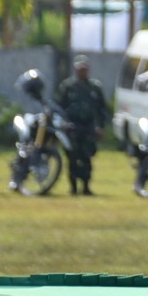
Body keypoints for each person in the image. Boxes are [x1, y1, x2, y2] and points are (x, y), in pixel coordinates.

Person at [56, 55, 109, 195]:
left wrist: (100, 126)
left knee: (86, 157)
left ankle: (85, 187)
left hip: (89, 127)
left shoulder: (94, 87)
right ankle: (73, 187)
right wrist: (63, 124)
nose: (82, 72)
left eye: (84, 69)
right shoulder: (67, 87)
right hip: (72, 127)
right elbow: (60, 107)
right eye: (79, 69)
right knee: (72, 157)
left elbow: (102, 109)